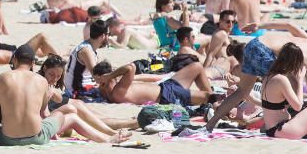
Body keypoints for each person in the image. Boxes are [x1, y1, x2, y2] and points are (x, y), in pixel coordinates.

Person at [0, 45, 128, 145]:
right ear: (33, 62)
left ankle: (109, 133)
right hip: (36, 138)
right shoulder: (41, 81)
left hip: (7, 139)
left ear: (14, 59)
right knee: (71, 117)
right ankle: (107, 139)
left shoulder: (1, 78)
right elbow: (41, 113)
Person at [205, 25, 307, 131]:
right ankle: (271, 125)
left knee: (241, 91)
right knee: (285, 88)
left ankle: (211, 124)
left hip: (252, 44)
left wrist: (259, 25)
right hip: (264, 51)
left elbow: (288, 25)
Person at [93, 58, 221, 107]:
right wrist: (109, 76)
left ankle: (214, 105)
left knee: (197, 66)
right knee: (207, 97)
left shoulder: (106, 90)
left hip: (166, 86)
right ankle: (217, 104)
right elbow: (131, 67)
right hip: (168, 96)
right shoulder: (116, 92)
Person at [65, 20, 110, 96]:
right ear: (103, 36)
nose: (109, 37)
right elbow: (97, 77)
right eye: (109, 34)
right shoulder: (86, 51)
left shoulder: (90, 48)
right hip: (76, 91)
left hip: (84, 87)